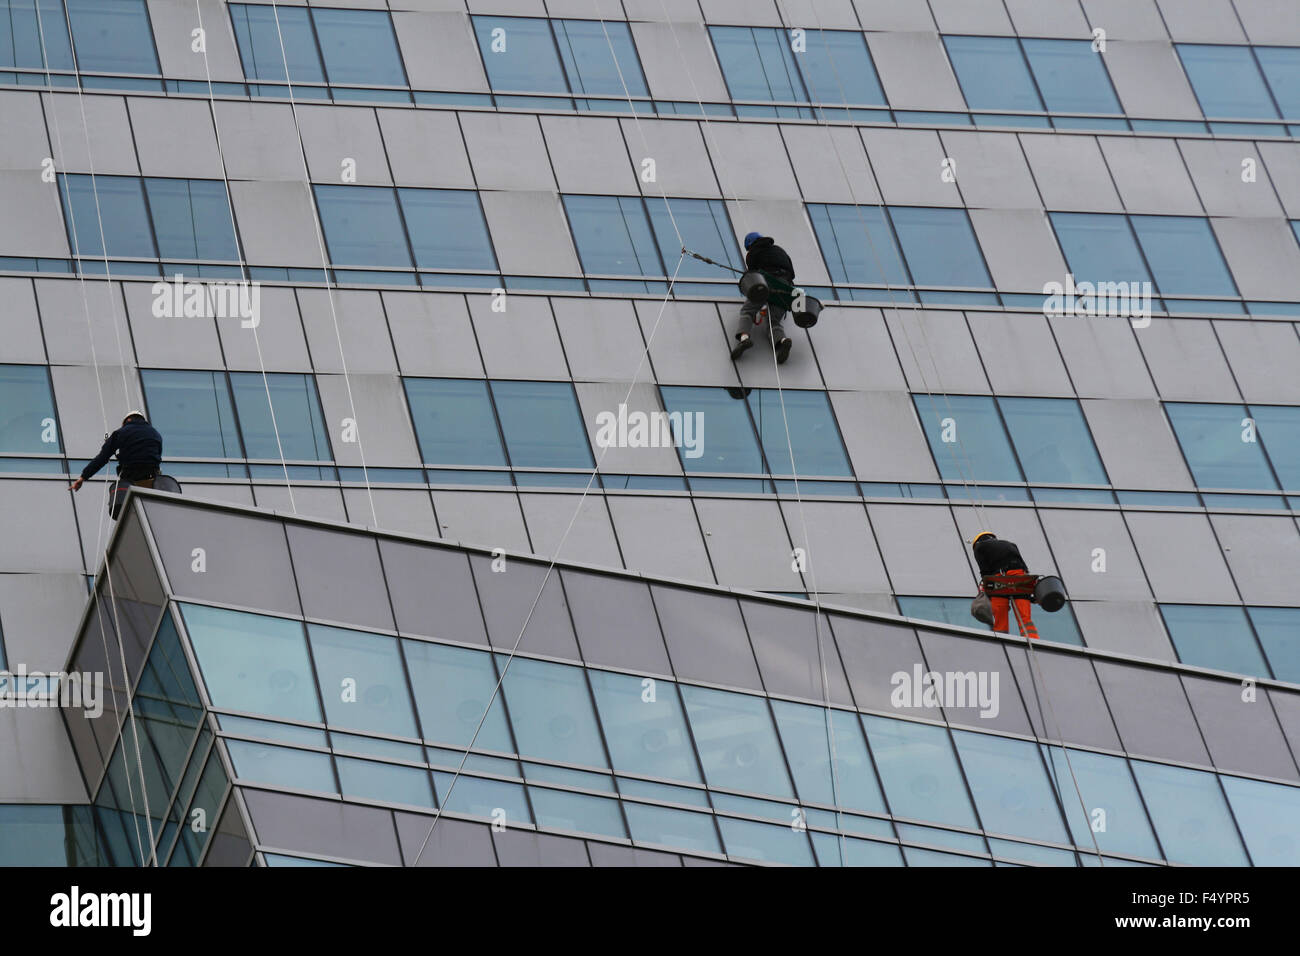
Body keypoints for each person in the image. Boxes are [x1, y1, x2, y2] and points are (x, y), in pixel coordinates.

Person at [732, 232, 795, 364]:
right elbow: (792, 273)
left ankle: (744, 338)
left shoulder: (753, 253)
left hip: (766, 282)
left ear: (750, 244)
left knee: (747, 311)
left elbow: (753, 276)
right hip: (784, 288)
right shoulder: (780, 250)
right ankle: (782, 341)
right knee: (774, 320)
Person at [69, 411, 163, 494]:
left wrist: (83, 477)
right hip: (152, 479)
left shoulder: (121, 433)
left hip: (130, 479)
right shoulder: (156, 434)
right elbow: (157, 456)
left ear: (128, 420)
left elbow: (102, 458)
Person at [971, 531, 1039, 639]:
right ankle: (1032, 638)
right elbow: (1024, 568)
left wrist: (987, 590)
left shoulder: (979, 547)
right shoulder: (1011, 544)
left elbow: (984, 571)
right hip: (1019, 577)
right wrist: (1028, 594)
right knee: (1024, 616)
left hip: (999, 579)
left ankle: (1002, 640)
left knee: (1000, 614)